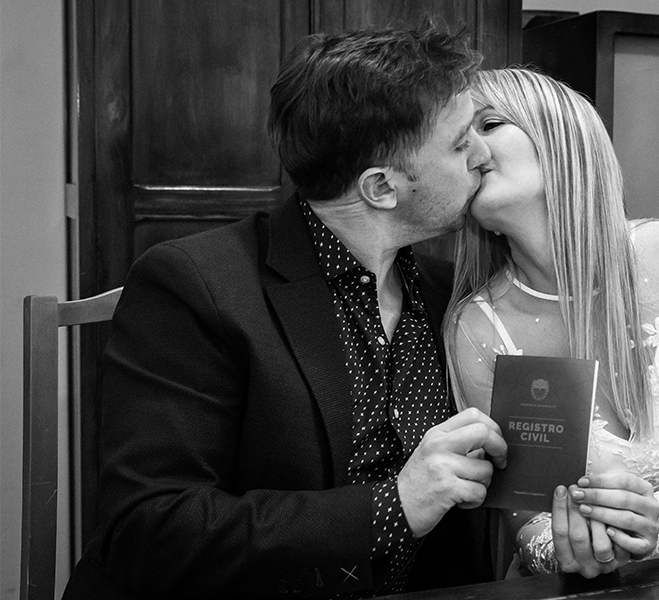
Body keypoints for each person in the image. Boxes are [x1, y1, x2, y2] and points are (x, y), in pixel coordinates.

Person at [62, 24, 508, 600]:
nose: (483, 152)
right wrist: (390, 507)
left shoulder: (451, 293)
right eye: (458, 142)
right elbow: (151, 529)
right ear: (380, 187)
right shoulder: (194, 285)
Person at [444, 68, 659, 578]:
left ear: (561, 132)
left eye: (489, 124)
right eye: (456, 140)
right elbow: (526, 517)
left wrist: (657, 521)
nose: (471, 149)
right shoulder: (476, 327)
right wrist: (570, 546)